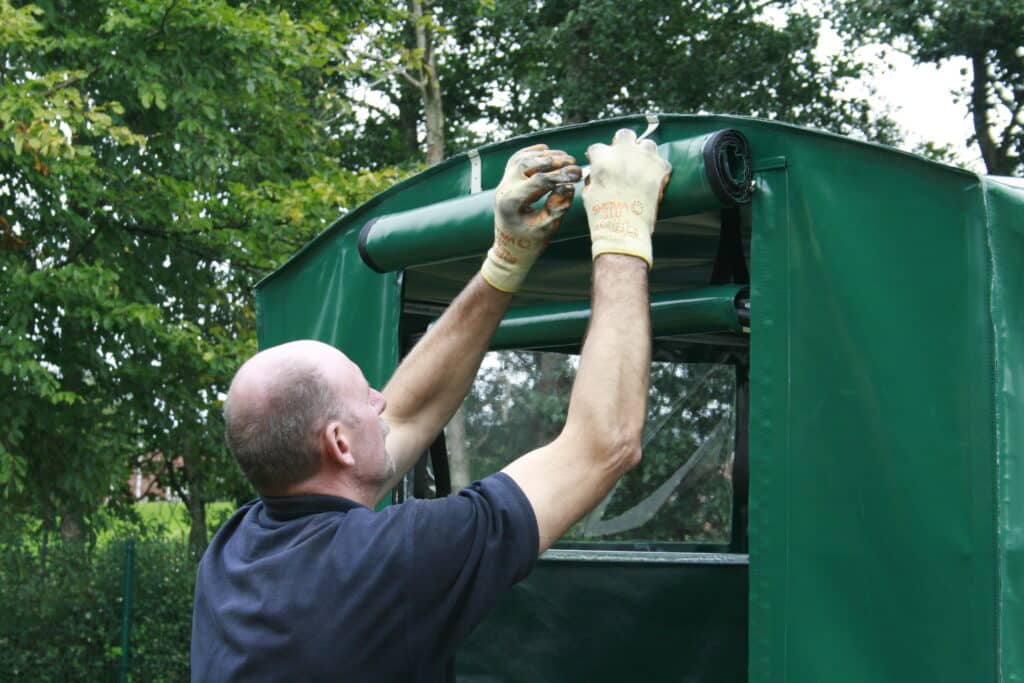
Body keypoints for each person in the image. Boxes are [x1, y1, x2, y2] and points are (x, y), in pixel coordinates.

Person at [191, 129, 673, 682]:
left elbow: (405, 415)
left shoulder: (235, 553)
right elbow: (602, 444)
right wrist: (620, 236)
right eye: (364, 394)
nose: (382, 397)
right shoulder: (395, 558)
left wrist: (505, 260)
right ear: (339, 445)